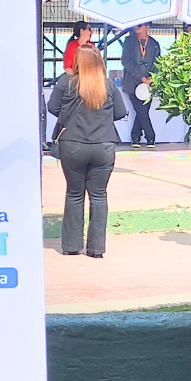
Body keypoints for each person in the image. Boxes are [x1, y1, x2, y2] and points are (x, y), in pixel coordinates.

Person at [47, 44, 127, 258]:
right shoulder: (108, 85)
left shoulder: (66, 83)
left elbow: (52, 108)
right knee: (99, 195)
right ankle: (96, 249)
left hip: (73, 144)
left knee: (74, 193)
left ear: (77, 62)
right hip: (104, 145)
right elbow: (120, 113)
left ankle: (72, 246)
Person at [121, 22, 161, 149]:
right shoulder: (129, 42)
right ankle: (150, 136)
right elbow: (126, 61)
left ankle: (136, 136)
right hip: (132, 83)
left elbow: (158, 63)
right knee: (140, 109)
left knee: (142, 110)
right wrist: (140, 77)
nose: (136, 27)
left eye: (140, 25)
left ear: (148, 27)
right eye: (136, 25)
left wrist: (152, 77)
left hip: (149, 84)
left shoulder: (154, 44)